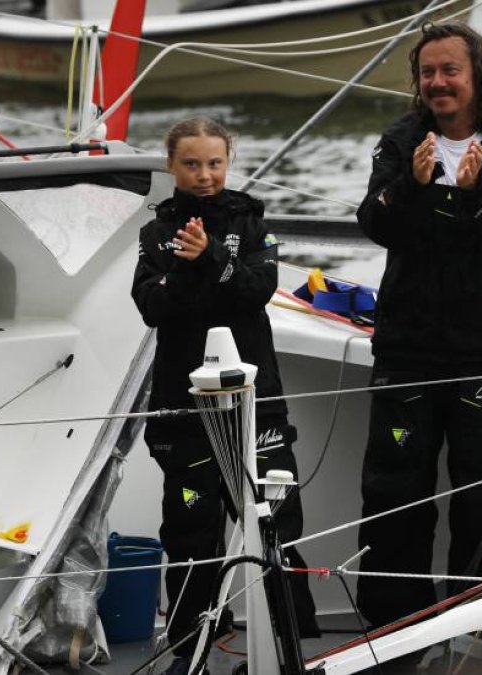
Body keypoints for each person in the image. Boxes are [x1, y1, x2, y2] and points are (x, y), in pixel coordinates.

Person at [354, 23, 482, 633]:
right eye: (427, 72)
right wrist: (411, 188)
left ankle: (480, 632)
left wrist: (477, 191)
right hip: (408, 350)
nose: (437, 82)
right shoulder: (400, 140)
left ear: (477, 75)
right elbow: (373, 222)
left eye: (449, 71)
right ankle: (389, 635)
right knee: (393, 500)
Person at [131, 118, 319, 673]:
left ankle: (291, 649)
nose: (205, 174)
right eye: (192, 164)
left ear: (228, 161)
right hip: (184, 402)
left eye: (214, 162)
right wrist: (189, 269)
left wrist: (211, 254)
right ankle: (188, 652)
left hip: (255, 398)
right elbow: (152, 305)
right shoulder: (155, 234)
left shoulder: (252, 221)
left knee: (276, 523)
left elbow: (258, 289)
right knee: (191, 533)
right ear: (172, 166)